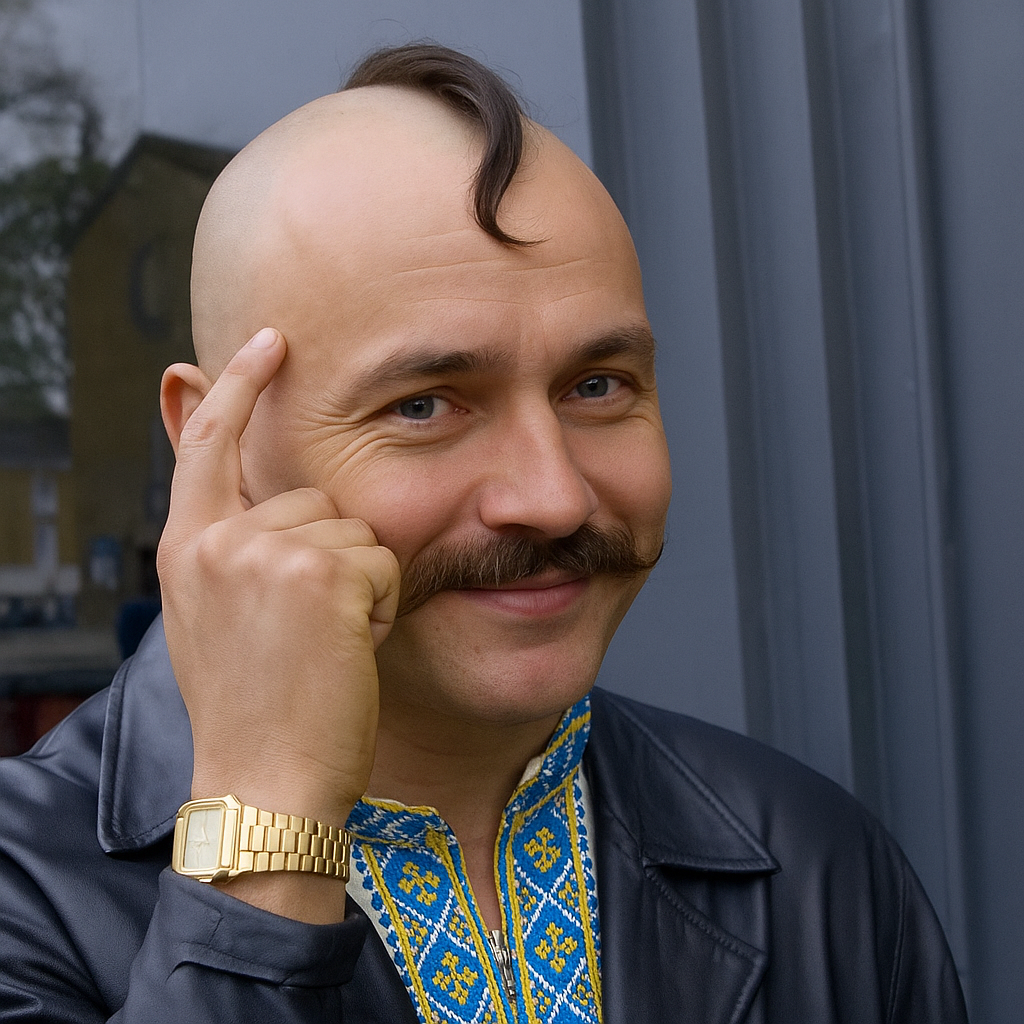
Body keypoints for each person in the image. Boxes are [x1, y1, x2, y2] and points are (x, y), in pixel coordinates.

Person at [0, 44, 968, 1024]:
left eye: (597, 386)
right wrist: (265, 846)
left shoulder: (814, 866)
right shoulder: (24, 893)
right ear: (219, 440)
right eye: (425, 404)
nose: (553, 497)